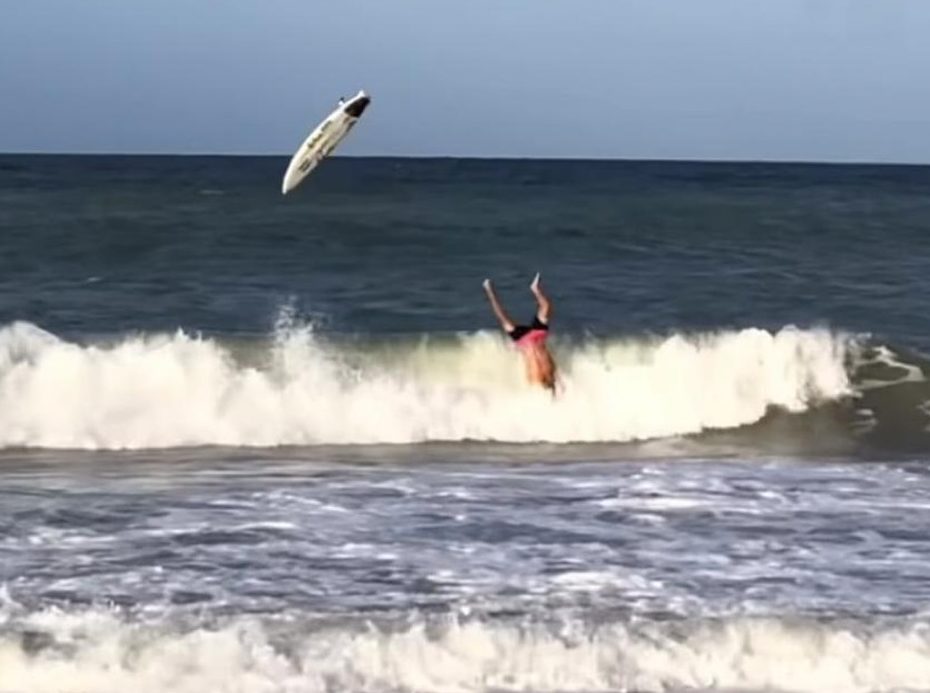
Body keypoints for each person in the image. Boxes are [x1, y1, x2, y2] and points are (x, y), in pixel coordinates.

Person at [483, 273, 558, 392]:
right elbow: (548, 357)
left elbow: (528, 366)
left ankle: (489, 291)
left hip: (523, 340)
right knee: (546, 307)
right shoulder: (552, 372)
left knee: (502, 317)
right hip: (537, 335)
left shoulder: (533, 379)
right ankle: (535, 288)